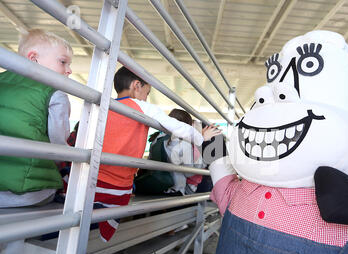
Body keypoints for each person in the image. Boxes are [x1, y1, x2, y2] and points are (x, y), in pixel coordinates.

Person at [93, 67, 219, 242]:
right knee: (106, 222)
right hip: (119, 182)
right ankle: (96, 250)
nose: (146, 97)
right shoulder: (141, 106)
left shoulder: (107, 107)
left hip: (95, 174)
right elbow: (176, 126)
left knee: (90, 218)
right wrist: (200, 137)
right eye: (147, 92)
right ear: (137, 86)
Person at [0, 29, 73, 208]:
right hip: (29, 191)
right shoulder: (55, 94)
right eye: (63, 62)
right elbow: (59, 145)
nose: (69, 70)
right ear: (33, 59)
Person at [160, 109, 220, 196]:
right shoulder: (184, 143)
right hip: (177, 189)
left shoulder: (158, 137)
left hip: (158, 184)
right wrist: (199, 142)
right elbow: (189, 173)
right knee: (210, 174)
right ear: (187, 126)